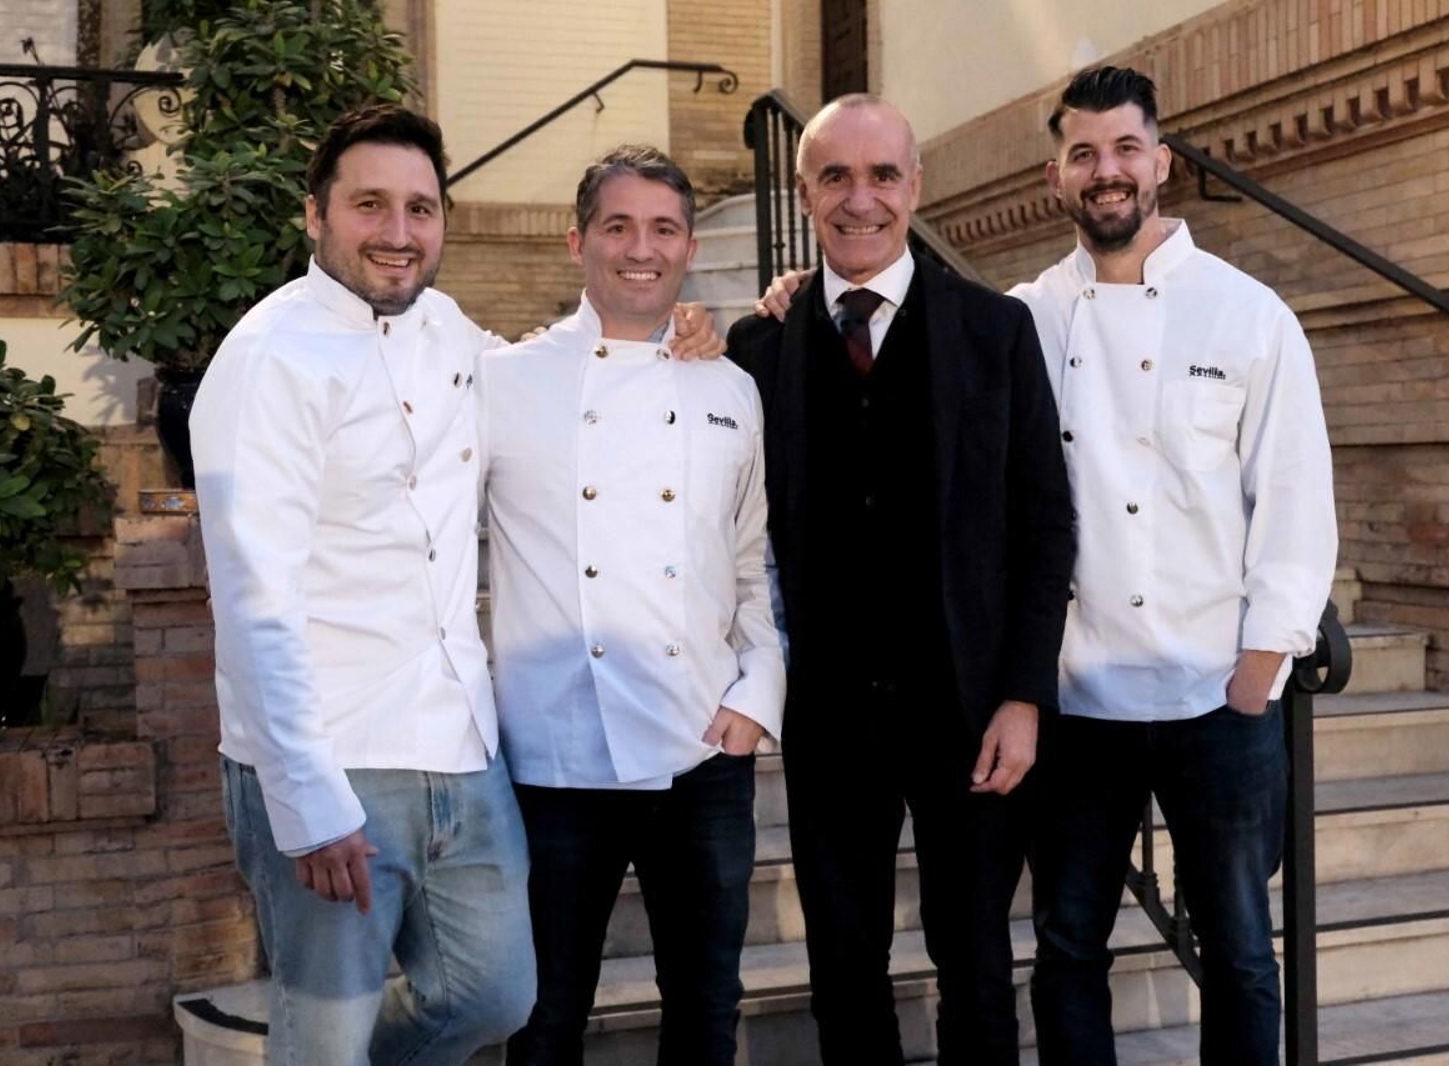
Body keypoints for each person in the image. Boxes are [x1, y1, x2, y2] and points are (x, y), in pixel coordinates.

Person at [192, 105, 721, 1063]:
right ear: (316, 216)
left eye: (420, 208)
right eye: (370, 206)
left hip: (460, 746)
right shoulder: (265, 359)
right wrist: (305, 797)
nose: (398, 232)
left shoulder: (450, 333)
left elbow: (565, 375)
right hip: (334, 752)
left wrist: (681, 333)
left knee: (498, 999)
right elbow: (251, 601)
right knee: (324, 1032)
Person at [727, 95, 1075, 1065]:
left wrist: (1022, 695)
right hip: (829, 715)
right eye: (835, 176)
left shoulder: (995, 331)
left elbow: (1045, 524)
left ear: (915, 187)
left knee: (974, 963)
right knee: (844, 963)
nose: (860, 198)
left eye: (882, 175)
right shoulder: (760, 347)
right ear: (804, 193)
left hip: (968, 709)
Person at [1012, 66, 1337, 1065]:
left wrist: (1262, 661)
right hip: (1075, 696)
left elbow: (1294, 496)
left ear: (1159, 161)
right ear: (1056, 175)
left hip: (1214, 696)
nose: (1103, 172)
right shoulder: (1021, 317)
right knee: (1068, 945)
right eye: (1081, 154)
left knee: (1239, 947)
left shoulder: (1246, 315)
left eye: (1122, 150)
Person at [484, 145, 785, 1066]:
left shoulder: (731, 388)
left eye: (662, 230)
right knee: (543, 1019)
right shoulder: (504, 381)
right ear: (579, 240)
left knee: (706, 1009)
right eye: (618, 226)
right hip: (555, 761)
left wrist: (756, 698)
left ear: (691, 248)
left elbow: (750, 568)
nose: (640, 249)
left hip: (703, 751)